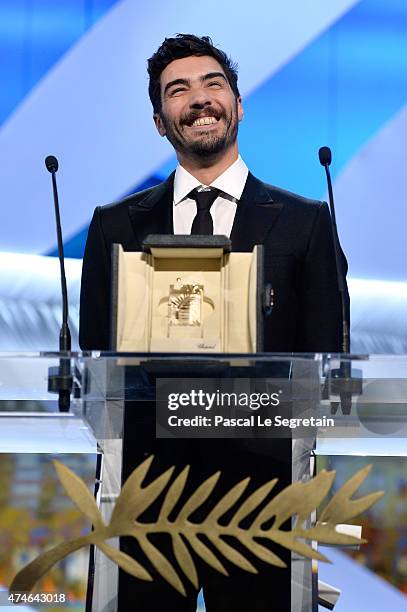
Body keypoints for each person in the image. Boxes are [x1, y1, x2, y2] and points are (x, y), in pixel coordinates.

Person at [80, 34, 348, 612]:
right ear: (160, 121)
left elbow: (330, 368)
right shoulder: (113, 226)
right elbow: (95, 369)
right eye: (179, 90)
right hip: (146, 497)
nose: (199, 99)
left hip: (264, 500)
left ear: (239, 105)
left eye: (213, 84)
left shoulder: (305, 224)